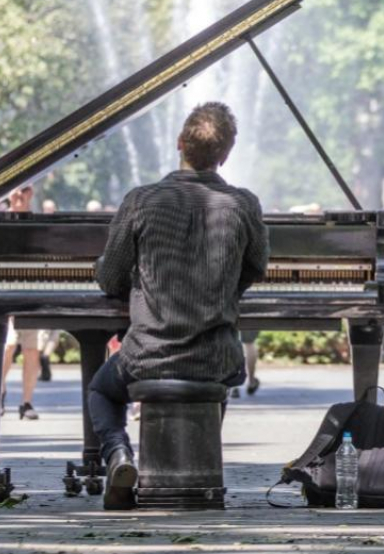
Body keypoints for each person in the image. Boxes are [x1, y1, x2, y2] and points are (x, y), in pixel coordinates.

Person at [89, 101, 269, 509]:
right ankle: (199, 470)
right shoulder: (243, 205)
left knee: (101, 389)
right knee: (221, 379)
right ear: (225, 156)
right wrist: (221, 292)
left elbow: (110, 278)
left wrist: (136, 283)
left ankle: (118, 454)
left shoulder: (141, 201)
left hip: (146, 354)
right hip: (215, 356)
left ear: (179, 144)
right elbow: (257, 266)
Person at [0, 186, 46, 420]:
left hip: (31, 291)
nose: (21, 195)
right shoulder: (3, 220)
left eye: (25, 191)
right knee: (8, 346)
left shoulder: (34, 220)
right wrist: (13, 207)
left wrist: (24, 206)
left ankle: (26, 402)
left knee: (32, 349)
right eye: (17, 192)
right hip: (7, 291)